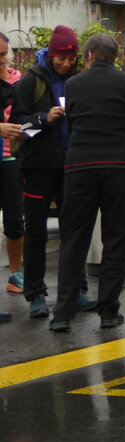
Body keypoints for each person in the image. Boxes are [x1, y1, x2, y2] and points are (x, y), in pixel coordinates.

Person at [49, 33, 125, 331]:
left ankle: (62, 315)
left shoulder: (73, 84)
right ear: (115, 56)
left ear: (90, 55)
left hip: (80, 167)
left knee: (74, 239)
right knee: (116, 238)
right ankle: (108, 312)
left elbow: (73, 123)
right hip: (120, 167)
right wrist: (122, 142)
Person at [10, 25, 95, 319]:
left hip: (72, 166)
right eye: (61, 58)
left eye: (71, 59)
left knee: (74, 231)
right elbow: (19, 128)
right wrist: (43, 119)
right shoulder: (29, 82)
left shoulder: (79, 81)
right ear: (51, 55)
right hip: (37, 167)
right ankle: (35, 295)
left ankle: (77, 290)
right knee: (36, 233)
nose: (66, 64)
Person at [0, 32, 26, 310]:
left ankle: (15, 274)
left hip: (11, 158)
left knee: (15, 220)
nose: (2, 59)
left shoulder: (17, 81)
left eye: (4, 53)